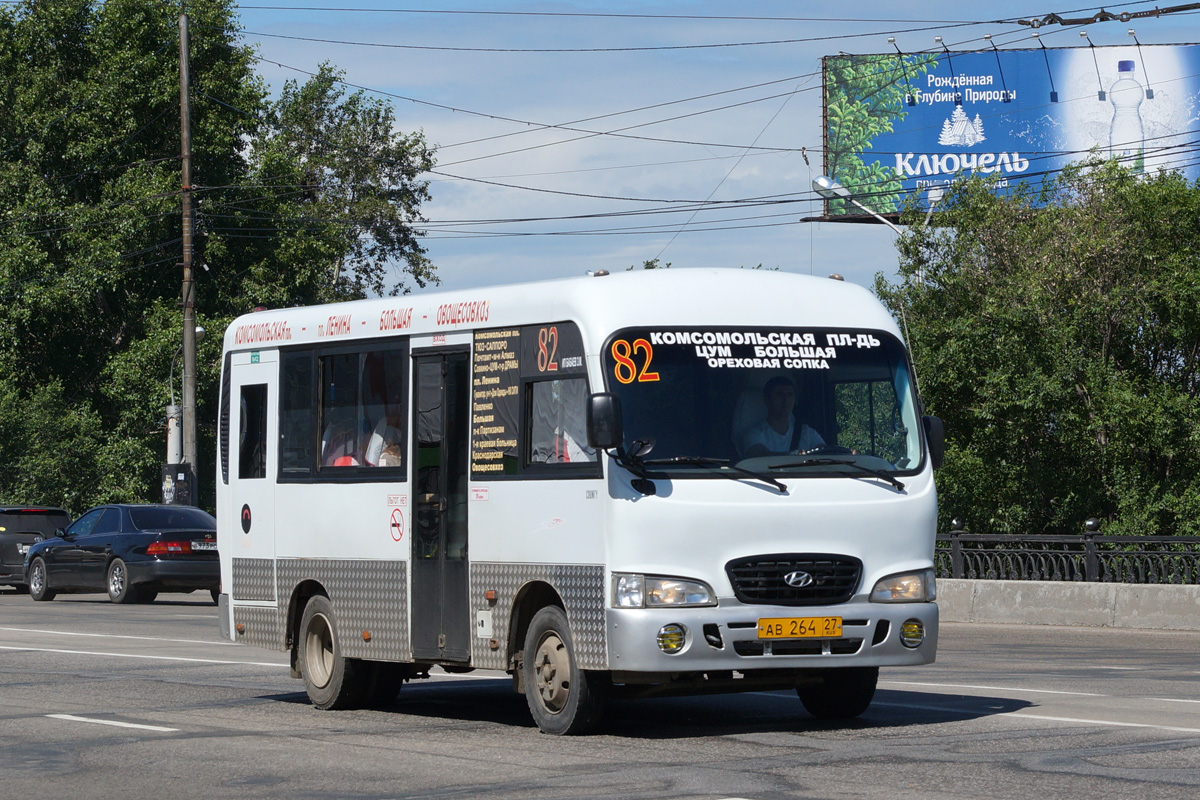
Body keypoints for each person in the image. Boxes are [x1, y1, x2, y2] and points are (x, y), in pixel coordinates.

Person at [741, 375, 824, 457]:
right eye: (779, 394)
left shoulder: (808, 433)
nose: (786, 400)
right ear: (767, 400)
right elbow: (762, 457)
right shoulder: (754, 434)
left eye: (790, 395)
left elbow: (826, 455)